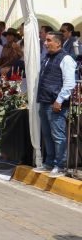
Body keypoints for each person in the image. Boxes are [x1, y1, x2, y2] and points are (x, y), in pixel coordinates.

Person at [33, 31, 76, 178]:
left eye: (48, 40)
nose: (45, 43)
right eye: (45, 40)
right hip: (44, 102)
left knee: (58, 136)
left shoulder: (66, 59)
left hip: (56, 104)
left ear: (58, 43)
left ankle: (60, 165)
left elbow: (70, 83)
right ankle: (49, 163)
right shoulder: (47, 57)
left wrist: (59, 100)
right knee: (47, 134)